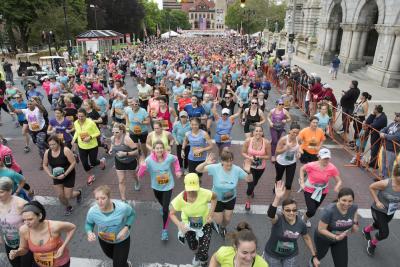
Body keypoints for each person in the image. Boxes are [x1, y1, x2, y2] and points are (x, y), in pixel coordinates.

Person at [196, 150, 252, 238]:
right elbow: (198, 169)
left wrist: (248, 171)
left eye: (231, 160)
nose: (229, 163)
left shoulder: (236, 169)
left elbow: (249, 180)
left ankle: (223, 227)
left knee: (227, 219)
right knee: (218, 220)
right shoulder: (215, 168)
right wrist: (205, 163)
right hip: (216, 199)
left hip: (230, 198)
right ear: (221, 161)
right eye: (226, 161)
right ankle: (216, 223)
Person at [264, 181, 319, 267]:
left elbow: (306, 238)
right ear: (282, 211)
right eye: (288, 210)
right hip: (273, 255)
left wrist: (314, 255)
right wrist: (277, 197)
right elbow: (270, 215)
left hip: (291, 255)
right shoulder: (278, 219)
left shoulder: (301, 223)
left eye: (294, 210)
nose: (291, 213)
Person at [169, 173, 217, 266]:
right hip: (188, 226)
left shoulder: (204, 193)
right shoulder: (180, 198)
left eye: (194, 189)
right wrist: (179, 224)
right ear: (185, 186)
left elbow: (214, 198)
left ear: (198, 185)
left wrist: (211, 214)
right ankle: (196, 255)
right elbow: (171, 214)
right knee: (193, 246)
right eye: (189, 189)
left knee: (204, 249)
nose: (192, 192)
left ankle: (203, 260)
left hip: (204, 224)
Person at [9, 201, 76, 267]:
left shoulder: (54, 226)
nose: (26, 223)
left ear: (40, 216)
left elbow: (72, 228)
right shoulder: (24, 230)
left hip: (60, 263)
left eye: (30, 219)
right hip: (39, 263)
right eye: (24, 220)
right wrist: (17, 252)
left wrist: (63, 247)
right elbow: (24, 249)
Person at [138, 140, 182, 240]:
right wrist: (142, 167)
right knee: (161, 202)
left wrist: (178, 170)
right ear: (153, 150)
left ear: (164, 149)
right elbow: (140, 176)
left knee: (166, 209)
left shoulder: (169, 157)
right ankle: (163, 207)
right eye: (157, 148)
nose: (159, 150)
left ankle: (164, 230)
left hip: (168, 186)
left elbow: (176, 160)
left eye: (161, 148)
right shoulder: (149, 160)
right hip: (156, 186)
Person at [85, 185, 136, 267]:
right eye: (97, 199)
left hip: (121, 240)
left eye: (103, 198)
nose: (99, 201)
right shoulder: (92, 211)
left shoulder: (122, 207)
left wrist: (126, 228)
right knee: (113, 257)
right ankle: (124, 263)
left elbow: (132, 214)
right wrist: (89, 232)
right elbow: (89, 224)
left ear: (109, 197)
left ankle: (123, 263)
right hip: (104, 240)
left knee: (118, 264)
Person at [314, 188, 358, 267]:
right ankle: (312, 261)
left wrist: (355, 223)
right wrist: (335, 237)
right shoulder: (329, 211)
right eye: (344, 200)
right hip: (324, 238)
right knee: (319, 256)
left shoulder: (353, 207)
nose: (347, 204)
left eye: (350, 201)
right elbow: (321, 229)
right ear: (338, 199)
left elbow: (355, 213)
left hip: (341, 238)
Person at [299, 148, 343, 227]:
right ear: (319, 157)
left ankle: (306, 217)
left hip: (322, 191)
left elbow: (339, 180)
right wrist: (302, 182)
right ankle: (304, 219)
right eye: (324, 158)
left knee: (314, 209)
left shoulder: (332, 168)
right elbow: (302, 169)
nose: (326, 160)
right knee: (311, 210)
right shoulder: (311, 165)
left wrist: (337, 186)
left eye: (327, 158)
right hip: (309, 189)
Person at [363, 164, 400, 256]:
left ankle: (366, 230)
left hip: (390, 211)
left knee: (379, 226)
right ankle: (372, 243)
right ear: (396, 175)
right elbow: (371, 187)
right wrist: (377, 201)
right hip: (378, 210)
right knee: (384, 233)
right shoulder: (386, 183)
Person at [43, 135, 82, 216]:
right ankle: (68, 207)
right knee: (60, 196)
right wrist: (50, 174)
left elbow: (73, 162)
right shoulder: (47, 152)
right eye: (50, 145)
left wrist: (65, 174)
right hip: (56, 176)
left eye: (54, 144)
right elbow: (44, 165)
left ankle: (78, 193)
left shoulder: (65, 150)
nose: (52, 146)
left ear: (58, 143)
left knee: (68, 196)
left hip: (68, 174)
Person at [0, 177, 34, 267]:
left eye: (1, 192)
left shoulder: (21, 204)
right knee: (15, 264)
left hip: (25, 242)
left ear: (10, 191)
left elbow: (37, 220)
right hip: (9, 242)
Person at [72, 108, 106, 185]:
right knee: (84, 164)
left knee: (93, 162)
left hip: (92, 146)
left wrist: (90, 137)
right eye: (79, 116)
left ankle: (101, 161)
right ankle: (91, 176)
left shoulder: (91, 123)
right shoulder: (76, 123)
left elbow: (97, 133)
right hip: (82, 146)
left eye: (82, 116)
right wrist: (74, 139)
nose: (80, 118)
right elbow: (77, 132)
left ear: (86, 116)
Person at [242, 125, 271, 211]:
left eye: (260, 131)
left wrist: (260, 157)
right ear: (253, 132)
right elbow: (243, 152)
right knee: (250, 186)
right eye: (256, 131)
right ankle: (248, 202)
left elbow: (269, 156)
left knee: (255, 183)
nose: (258, 132)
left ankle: (252, 190)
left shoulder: (266, 142)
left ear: (262, 133)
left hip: (260, 167)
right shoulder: (248, 140)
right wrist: (250, 158)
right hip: (249, 166)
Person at [108, 123, 140, 199]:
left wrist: (125, 153)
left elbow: (137, 152)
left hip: (130, 161)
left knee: (133, 175)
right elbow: (112, 145)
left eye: (117, 132)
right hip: (119, 161)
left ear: (122, 131)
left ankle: (137, 182)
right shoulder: (112, 138)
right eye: (113, 132)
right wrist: (110, 150)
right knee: (121, 180)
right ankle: (123, 198)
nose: (114, 134)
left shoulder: (127, 139)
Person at [274, 122, 301, 199]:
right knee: (279, 179)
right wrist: (286, 148)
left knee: (289, 184)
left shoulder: (298, 139)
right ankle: (276, 190)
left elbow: (299, 147)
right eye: (294, 132)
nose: (295, 134)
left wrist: (298, 152)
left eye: (297, 133)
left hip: (291, 163)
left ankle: (286, 200)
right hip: (280, 162)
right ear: (290, 131)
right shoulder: (283, 139)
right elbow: (276, 152)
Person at [365, 105, 387, 169]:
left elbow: (374, 125)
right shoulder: (375, 115)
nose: (373, 110)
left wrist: (369, 125)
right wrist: (371, 114)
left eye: (374, 109)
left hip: (378, 137)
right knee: (373, 149)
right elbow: (368, 122)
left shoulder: (383, 118)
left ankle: (373, 164)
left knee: (375, 150)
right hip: (373, 135)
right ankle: (373, 163)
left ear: (376, 110)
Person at [379, 112, 400, 178]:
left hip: (392, 150)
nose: (395, 116)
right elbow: (384, 129)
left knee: (389, 166)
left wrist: (384, 135)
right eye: (396, 115)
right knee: (384, 163)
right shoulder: (392, 124)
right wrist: (381, 132)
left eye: (397, 116)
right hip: (385, 146)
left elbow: (396, 137)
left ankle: (388, 182)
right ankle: (383, 178)